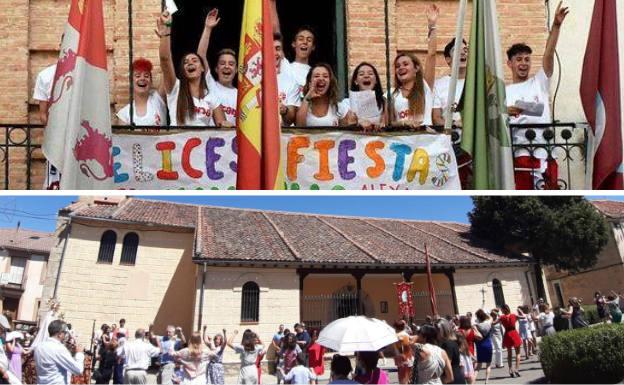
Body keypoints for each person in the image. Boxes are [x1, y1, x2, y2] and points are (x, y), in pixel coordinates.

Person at [505, 2, 569, 190]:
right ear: (509, 63)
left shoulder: (539, 82)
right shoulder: (504, 92)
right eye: (518, 59)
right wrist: (506, 111)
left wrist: (556, 27)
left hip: (547, 152)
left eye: (527, 59)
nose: (523, 63)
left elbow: (548, 55)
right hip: (522, 154)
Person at [156, 11, 227, 127]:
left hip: (203, 144)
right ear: (183, 70)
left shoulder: (211, 96)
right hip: (179, 144)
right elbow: (165, 59)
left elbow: (223, 126)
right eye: (185, 62)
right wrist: (166, 33)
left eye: (194, 61)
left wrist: (226, 125)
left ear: (203, 68)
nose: (190, 63)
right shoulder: (175, 88)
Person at [389, 4, 439, 128]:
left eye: (406, 64)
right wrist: (402, 123)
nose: (401, 68)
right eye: (397, 66)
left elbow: (431, 55)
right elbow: (387, 124)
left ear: (416, 68)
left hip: (427, 142)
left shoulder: (425, 86)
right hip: (403, 144)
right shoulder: (391, 94)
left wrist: (432, 26)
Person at [197, 8, 238, 126]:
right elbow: (200, 56)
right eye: (222, 63)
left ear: (236, 70)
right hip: (211, 142)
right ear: (216, 69)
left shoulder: (241, 95)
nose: (226, 66)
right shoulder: (210, 85)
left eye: (231, 64)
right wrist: (208, 28)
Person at [270, 0, 316, 90]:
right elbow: (275, 32)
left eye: (309, 40)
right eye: (301, 39)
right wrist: (272, 3)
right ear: (293, 44)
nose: (305, 42)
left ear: (313, 47)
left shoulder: (316, 73)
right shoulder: (285, 65)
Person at [117, 59, 167, 127]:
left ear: (151, 82)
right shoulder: (124, 114)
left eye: (146, 76)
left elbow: (167, 69)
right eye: (137, 76)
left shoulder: (158, 99)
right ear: (131, 82)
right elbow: (124, 137)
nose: (142, 78)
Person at [34, 319, 84, 385]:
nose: (66, 335)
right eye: (65, 333)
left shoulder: (39, 346)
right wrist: (79, 353)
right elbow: (78, 370)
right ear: (59, 334)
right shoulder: (59, 349)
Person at [432, 38, 468, 127]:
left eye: (465, 50)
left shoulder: (479, 82)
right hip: (451, 138)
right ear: (448, 59)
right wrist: (455, 124)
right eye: (457, 50)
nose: (463, 53)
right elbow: (436, 119)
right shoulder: (438, 85)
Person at [342, 62, 387, 131]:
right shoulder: (347, 103)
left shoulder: (384, 103)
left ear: (376, 81)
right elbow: (342, 126)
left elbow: (386, 126)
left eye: (370, 74)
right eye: (361, 74)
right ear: (356, 81)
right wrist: (355, 123)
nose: (366, 76)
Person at [435, 319, 463, 384]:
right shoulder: (452, 342)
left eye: (437, 330)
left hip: (451, 378)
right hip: (456, 375)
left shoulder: (447, 344)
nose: (435, 332)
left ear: (443, 330)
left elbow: (447, 365)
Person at [497, 305, 522, 378]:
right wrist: (520, 311)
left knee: (509, 354)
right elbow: (523, 316)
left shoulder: (501, 317)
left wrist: (496, 315)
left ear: (503, 310)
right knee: (518, 353)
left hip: (507, 334)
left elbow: (493, 323)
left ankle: (510, 370)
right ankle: (517, 369)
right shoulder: (513, 315)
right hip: (514, 333)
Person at [473, 309, 493, 384]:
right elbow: (491, 318)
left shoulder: (476, 326)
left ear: (478, 317)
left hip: (480, 346)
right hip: (488, 345)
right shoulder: (488, 323)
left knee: (478, 366)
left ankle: (473, 379)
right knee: (488, 364)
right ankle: (486, 381)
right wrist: (486, 313)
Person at [392, 320, 414, 384]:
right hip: (408, 357)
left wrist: (401, 355)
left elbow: (401, 347)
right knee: (408, 377)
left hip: (403, 358)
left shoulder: (398, 336)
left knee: (403, 378)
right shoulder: (406, 335)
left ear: (396, 327)